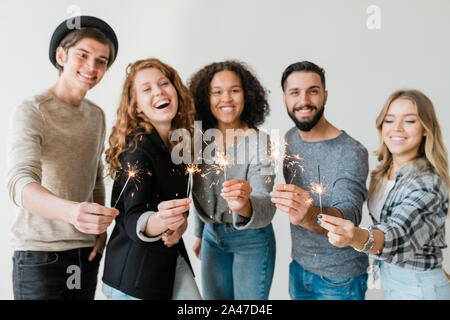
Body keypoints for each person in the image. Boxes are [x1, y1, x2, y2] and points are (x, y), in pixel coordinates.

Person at [6, 15, 119, 300]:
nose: (92, 67)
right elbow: (19, 183)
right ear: (61, 55)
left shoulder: (96, 115)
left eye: (101, 61)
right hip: (39, 256)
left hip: (85, 254)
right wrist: (71, 212)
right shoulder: (32, 110)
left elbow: (95, 176)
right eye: (83, 55)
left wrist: (100, 232)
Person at [319, 89, 450, 300]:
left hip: (418, 288)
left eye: (409, 121)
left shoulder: (427, 183)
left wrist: (356, 236)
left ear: (426, 129)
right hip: (395, 282)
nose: (396, 128)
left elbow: (398, 234)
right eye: (389, 120)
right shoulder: (381, 173)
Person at [101, 58, 201, 300]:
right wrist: (160, 219)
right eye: (146, 89)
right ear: (136, 107)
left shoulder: (182, 142)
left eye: (164, 83)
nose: (159, 91)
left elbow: (178, 207)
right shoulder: (136, 148)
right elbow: (133, 216)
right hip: (134, 275)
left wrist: (180, 225)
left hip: (168, 262)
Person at [270, 61, 369, 300]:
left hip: (339, 278)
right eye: (295, 92)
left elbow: (349, 214)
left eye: (312, 91)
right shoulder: (290, 138)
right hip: (299, 268)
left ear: (324, 96)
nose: (304, 101)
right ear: (285, 98)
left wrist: (307, 215)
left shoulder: (351, 151)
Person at [188, 60, 276, 300]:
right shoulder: (198, 139)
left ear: (246, 95)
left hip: (252, 240)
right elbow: (197, 190)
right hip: (211, 238)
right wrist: (199, 232)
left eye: (234, 90)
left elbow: (267, 205)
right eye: (217, 92)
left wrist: (243, 204)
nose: (226, 98)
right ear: (206, 98)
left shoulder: (260, 142)